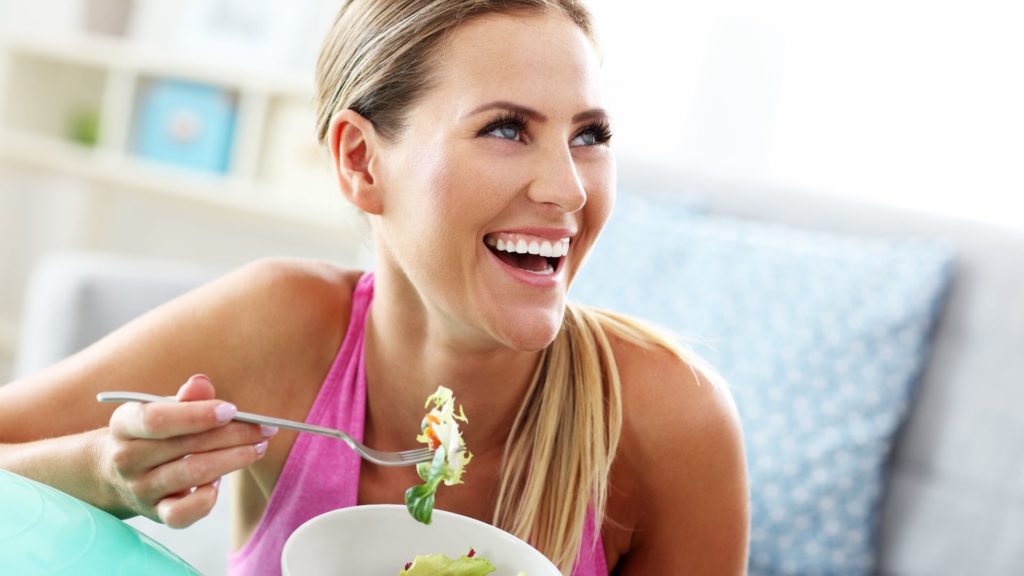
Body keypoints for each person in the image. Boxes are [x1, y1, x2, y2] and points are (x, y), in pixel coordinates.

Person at [0, 0, 749, 573]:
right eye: (506, 129)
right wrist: (103, 473)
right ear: (361, 162)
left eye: (589, 136)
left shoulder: (672, 418)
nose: (568, 189)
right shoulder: (280, 327)